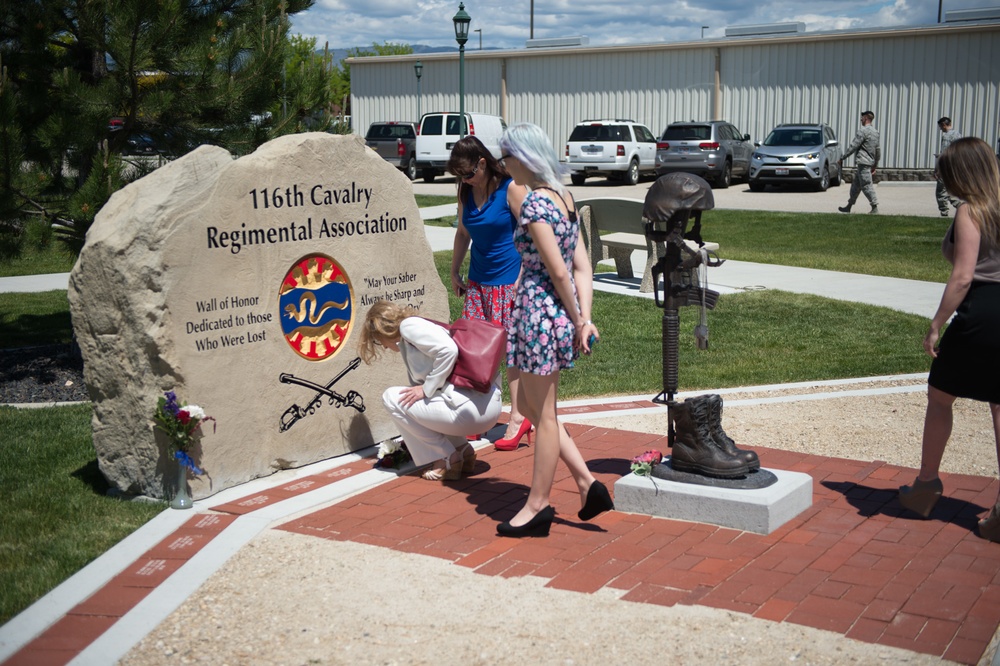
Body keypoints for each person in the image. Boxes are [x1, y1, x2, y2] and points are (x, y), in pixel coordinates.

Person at [493, 123, 614, 538]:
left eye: (506, 156)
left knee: (543, 415)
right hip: (555, 316)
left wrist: (580, 319)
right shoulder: (565, 198)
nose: (504, 165)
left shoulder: (533, 204)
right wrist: (583, 316)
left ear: (523, 157)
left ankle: (538, 504)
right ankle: (586, 483)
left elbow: (560, 271)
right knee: (530, 407)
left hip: (538, 315)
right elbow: (583, 266)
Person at [897, 137, 1000, 543]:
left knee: (940, 394)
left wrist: (936, 323)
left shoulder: (970, 210)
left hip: (983, 313)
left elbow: (962, 276)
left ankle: (925, 487)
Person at [445, 137, 532, 451]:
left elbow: (534, 233)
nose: (464, 180)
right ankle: (479, 416)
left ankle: (519, 417)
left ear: (482, 163)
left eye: (467, 173)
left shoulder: (510, 189)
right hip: (478, 285)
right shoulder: (466, 191)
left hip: (509, 283)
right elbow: (463, 233)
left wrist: (524, 276)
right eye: (460, 176)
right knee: (475, 355)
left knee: (509, 354)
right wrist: (455, 271)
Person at [359, 300, 502, 481]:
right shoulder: (415, 329)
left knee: (391, 398)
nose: (384, 346)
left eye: (378, 341)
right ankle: (463, 451)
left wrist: (426, 389)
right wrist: (426, 390)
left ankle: (445, 457)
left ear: (382, 330)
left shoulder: (408, 327)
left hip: (470, 410)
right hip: (483, 407)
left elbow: (448, 350)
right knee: (418, 399)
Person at [838, 110, 881, 215]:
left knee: (867, 186)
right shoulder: (876, 132)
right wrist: (875, 165)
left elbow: (854, 146)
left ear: (866, 118)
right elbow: (878, 150)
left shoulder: (863, 131)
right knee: (855, 187)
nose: (861, 120)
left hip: (863, 163)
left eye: (862, 118)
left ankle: (874, 208)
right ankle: (848, 207)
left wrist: (843, 157)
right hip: (867, 163)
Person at [934, 117, 962, 217]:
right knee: (951, 189)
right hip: (955, 166)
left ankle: (944, 211)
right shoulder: (958, 134)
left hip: (946, 166)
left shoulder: (946, 136)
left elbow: (945, 153)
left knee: (941, 191)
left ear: (943, 125)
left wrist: (938, 169)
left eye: (940, 127)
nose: (941, 129)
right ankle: (960, 205)